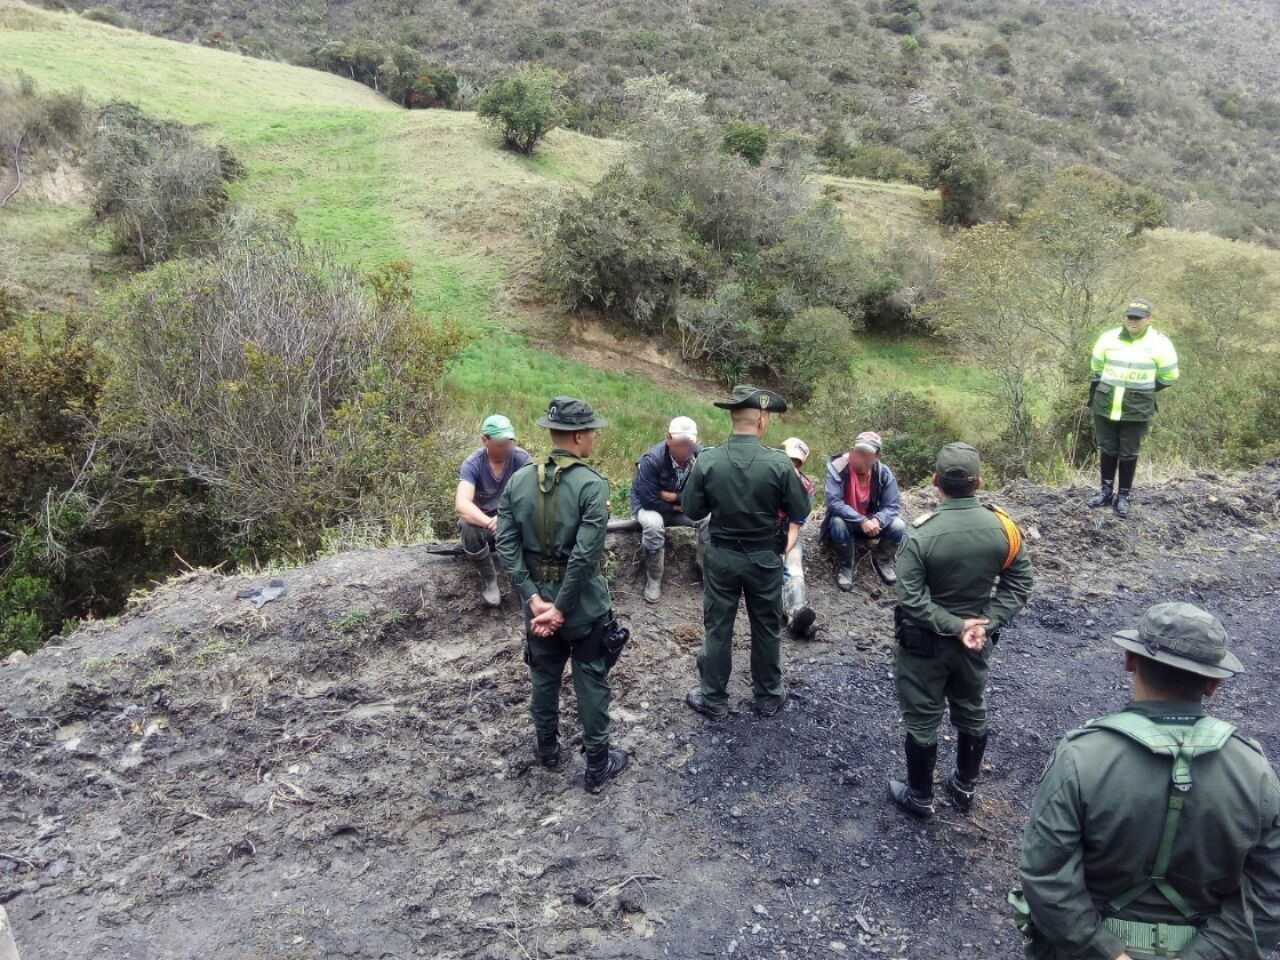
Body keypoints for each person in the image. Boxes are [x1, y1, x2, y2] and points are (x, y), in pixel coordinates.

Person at [1012, 603, 1280, 960]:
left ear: (1129, 660)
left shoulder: (1080, 757)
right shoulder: (1255, 771)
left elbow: (1044, 876)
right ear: (1214, 683)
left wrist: (1105, 950)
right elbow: (1269, 892)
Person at [889, 442, 1034, 818]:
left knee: (922, 717)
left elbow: (911, 599)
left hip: (924, 646)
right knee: (972, 709)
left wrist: (954, 626)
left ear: (935, 481)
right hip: (977, 643)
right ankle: (964, 788)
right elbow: (1019, 584)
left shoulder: (920, 534)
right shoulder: (1003, 528)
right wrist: (984, 622)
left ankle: (920, 797)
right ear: (978, 482)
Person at [494, 397, 629, 793]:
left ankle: (548, 750)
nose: (593, 439)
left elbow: (506, 545)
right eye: (591, 433)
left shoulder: (518, 481)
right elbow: (586, 556)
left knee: (544, 676)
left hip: (536, 603)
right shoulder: (592, 484)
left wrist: (533, 599)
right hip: (582, 606)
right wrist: (561, 608)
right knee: (591, 678)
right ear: (577, 436)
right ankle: (598, 765)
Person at [680, 386, 810, 720]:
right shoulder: (780, 464)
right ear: (763, 420)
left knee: (718, 627)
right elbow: (799, 508)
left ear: (732, 418)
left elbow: (692, 510)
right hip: (764, 558)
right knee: (766, 627)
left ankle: (713, 698)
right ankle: (767, 697)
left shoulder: (708, 459)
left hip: (722, 556)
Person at [1087, 298, 1179, 519]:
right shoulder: (1108, 338)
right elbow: (1096, 367)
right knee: (1107, 448)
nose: (1133, 321)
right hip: (1106, 404)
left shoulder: (1160, 344)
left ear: (1149, 320)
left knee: (1128, 452)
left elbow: (1169, 376)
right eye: (1130, 316)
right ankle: (1105, 491)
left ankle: (1124, 496)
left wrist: (1143, 391)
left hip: (1137, 407)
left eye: (1138, 317)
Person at [455, 414, 533, 607]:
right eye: (500, 443)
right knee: (466, 524)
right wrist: (490, 523)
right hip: (486, 528)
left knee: (537, 518)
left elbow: (532, 498)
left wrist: (506, 519)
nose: (506, 447)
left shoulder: (522, 459)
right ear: (485, 441)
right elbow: (462, 504)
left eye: (509, 441)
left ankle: (529, 584)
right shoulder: (473, 464)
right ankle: (490, 579)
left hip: (513, 524)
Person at [630, 416, 709, 603]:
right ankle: (654, 578)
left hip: (679, 506)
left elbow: (705, 492)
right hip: (648, 506)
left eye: (690, 442)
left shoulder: (701, 457)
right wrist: (682, 504)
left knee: (709, 519)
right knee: (653, 524)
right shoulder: (652, 460)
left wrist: (676, 498)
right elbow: (649, 501)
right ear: (669, 438)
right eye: (681, 442)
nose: (686, 447)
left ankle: (705, 569)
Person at [820, 431, 906, 589]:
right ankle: (845, 565)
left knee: (898, 525)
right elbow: (834, 502)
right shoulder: (838, 468)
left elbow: (892, 506)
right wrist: (861, 520)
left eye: (867, 453)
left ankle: (883, 558)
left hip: (872, 522)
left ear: (877, 456)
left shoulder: (883, 473)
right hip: (848, 523)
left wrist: (877, 520)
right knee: (838, 522)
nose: (861, 457)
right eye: (859, 451)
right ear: (852, 450)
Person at [780, 437, 817, 639]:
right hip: (762, 535)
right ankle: (793, 616)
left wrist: (783, 551)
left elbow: (795, 525)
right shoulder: (765, 479)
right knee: (771, 575)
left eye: (797, 462)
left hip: (787, 536)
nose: (792, 466)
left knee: (793, 569)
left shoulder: (806, 488)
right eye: (789, 460)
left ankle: (797, 614)